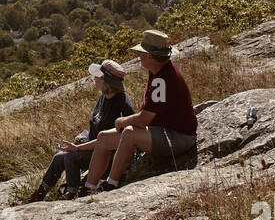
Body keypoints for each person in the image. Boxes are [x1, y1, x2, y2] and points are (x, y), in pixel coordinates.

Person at [81, 29, 197, 193]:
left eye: (141, 53)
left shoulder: (162, 79)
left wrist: (123, 121)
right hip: (162, 131)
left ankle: (111, 184)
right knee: (103, 138)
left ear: (150, 56)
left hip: (178, 137)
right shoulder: (157, 71)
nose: (139, 56)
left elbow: (144, 119)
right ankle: (88, 188)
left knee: (129, 133)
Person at [27, 60, 133, 201]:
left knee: (71, 157)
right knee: (59, 157)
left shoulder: (121, 105)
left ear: (105, 82)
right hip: (93, 148)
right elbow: (96, 128)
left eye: (97, 77)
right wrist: (82, 140)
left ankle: (74, 194)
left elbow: (109, 140)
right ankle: (39, 194)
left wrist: (77, 148)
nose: (94, 79)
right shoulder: (103, 98)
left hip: (107, 156)